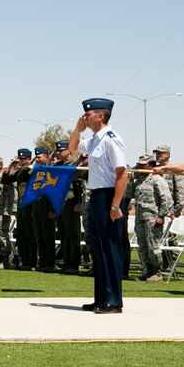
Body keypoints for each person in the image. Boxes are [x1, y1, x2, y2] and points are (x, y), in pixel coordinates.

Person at [69, 97, 128, 314]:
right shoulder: (95, 140)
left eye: (89, 114)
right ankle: (101, 297)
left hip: (109, 196)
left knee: (111, 248)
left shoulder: (111, 139)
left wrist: (115, 205)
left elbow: (122, 175)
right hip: (96, 195)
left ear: (100, 116)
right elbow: (73, 148)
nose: (85, 116)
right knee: (99, 249)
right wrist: (78, 128)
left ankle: (114, 300)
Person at [126, 154, 172, 283]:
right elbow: (129, 195)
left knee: (153, 246)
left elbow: (166, 198)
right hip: (140, 217)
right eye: (139, 164)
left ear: (151, 165)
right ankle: (147, 271)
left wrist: (161, 215)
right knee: (143, 245)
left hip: (153, 217)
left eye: (143, 164)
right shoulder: (139, 179)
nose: (140, 166)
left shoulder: (156, 179)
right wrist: (131, 180)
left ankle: (157, 272)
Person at [2, 149, 36, 270]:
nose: (20, 161)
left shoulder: (32, 169)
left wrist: (26, 166)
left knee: (31, 236)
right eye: (19, 159)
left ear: (28, 159)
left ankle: (32, 262)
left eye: (22, 159)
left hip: (30, 205)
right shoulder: (20, 171)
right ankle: (24, 261)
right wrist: (11, 166)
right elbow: (5, 180)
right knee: (21, 236)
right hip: (21, 207)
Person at [53, 141, 83, 275]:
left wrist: (79, 202)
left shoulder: (75, 165)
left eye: (61, 150)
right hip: (60, 202)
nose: (59, 153)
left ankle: (74, 264)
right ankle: (66, 263)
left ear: (68, 151)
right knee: (63, 234)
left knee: (73, 235)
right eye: (57, 151)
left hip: (71, 202)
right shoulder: (58, 165)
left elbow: (79, 186)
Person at [30, 147, 57, 272]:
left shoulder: (50, 169)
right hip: (37, 207)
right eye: (36, 157)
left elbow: (54, 191)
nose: (37, 159)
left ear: (46, 157)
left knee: (48, 237)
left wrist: (52, 209)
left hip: (47, 208)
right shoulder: (37, 171)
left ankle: (50, 263)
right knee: (39, 237)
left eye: (39, 156)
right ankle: (42, 262)